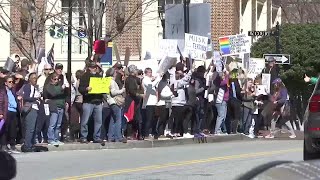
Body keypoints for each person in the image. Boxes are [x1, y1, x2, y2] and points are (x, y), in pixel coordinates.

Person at [78, 61, 103, 144]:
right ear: (89, 68)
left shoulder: (99, 76)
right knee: (85, 120)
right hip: (88, 101)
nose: (94, 69)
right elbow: (80, 89)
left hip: (98, 101)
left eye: (95, 67)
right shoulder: (84, 76)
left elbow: (102, 87)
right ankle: (83, 137)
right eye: (92, 67)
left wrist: (106, 87)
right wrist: (86, 89)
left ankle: (97, 137)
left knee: (98, 121)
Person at [20, 73, 41, 152]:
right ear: (29, 79)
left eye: (36, 78)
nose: (35, 80)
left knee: (34, 128)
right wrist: (35, 99)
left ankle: (31, 144)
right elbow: (25, 97)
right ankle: (27, 145)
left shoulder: (35, 87)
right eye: (33, 78)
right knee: (30, 128)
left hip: (35, 108)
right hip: (30, 109)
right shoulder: (28, 86)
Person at [44, 72, 66, 145]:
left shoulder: (59, 86)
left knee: (58, 125)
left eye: (57, 79)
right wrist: (61, 89)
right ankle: (51, 139)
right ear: (51, 79)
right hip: (54, 106)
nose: (56, 80)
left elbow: (64, 94)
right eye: (55, 79)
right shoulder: (49, 86)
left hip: (61, 106)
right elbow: (53, 93)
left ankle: (56, 139)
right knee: (52, 124)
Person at [0, 76, 20, 153]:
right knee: (5, 130)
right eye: (9, 82)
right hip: (7, 112)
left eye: (12, 82)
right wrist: (1, 113)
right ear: (5, 83)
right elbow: (0, 102)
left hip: (14, 112)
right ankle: (4, 146)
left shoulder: (13, 91)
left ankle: (12, 146)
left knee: (13, 130)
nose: (11, 83)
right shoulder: (3, 91)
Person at [106, 68, 126, 143]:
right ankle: (118, 136)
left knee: (113, 120)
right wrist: (122, 90)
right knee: (118, 120)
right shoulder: (112, 81)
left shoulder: (107, 81)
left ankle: (111, 136)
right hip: (115, 101)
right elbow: (113, 92)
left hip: (110, 101)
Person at [142, 68, 161, 139]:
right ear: (146, 73)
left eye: (151, 72)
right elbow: (150, 86)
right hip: (148, 102)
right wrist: (157, 79)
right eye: (149, 72)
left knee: (154, 119)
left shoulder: (150, 79)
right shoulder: (145, 79)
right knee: (149, 119)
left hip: (153, 102)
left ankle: (152, 132)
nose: (150, 74)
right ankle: (146, 134)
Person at [213, 70, 229, 135]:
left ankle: (220, 130)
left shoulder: (224, 81)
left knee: (223, 116)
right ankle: (216, 131)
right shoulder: (219, 82)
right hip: (220, 101)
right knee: (220, 116)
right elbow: (225, 82)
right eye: (222, 76)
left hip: (225, 100)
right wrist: (227, 75)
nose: (223, 77)